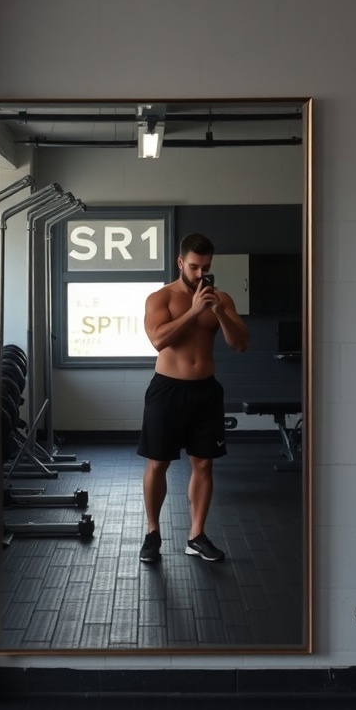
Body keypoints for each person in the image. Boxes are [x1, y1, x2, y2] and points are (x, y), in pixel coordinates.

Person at [138, 232, 249, 564]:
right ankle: (153, 533)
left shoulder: (222, 299)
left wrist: (217, 312)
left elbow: (240, 343)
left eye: (207, 267)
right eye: (195, 266)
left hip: (206, 390)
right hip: (167, 390)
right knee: (158, 463)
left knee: (203, 463)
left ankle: (196, 535)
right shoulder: (160, 298)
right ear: (180, 263)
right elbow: (158, 340)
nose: (201, 274)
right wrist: (193, 311)